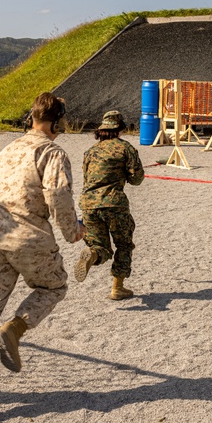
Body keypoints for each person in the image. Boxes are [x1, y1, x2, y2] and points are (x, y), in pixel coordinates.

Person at [0, 92, 86, 417]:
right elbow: (59, 196)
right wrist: (71, 231)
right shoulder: (51, 152)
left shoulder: (5, 150)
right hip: (31, 236)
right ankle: (14, 330)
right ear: (56, 122)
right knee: (54, 287)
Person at [74, 110, 145, 300]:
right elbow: (137, 178)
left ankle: (92, 253)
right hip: (114, 203)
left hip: (88, 204)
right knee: (124, 244)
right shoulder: (125, 148)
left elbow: (87, 178)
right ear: (119, 128)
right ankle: (117, 288)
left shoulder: (90, 152)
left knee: (100, 246)